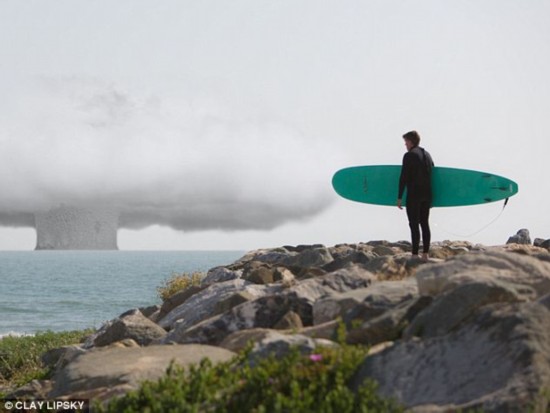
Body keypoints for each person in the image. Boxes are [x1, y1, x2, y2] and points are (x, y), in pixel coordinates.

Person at [397, 130, 434, 260]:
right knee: (424, 223)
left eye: (406, 142)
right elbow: (432, 171)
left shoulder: (409, 155)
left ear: (411, 141)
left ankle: (414, 254)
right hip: (427, 194)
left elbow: (403, 177)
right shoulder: (427, 155)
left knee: (413, 223)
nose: (405, 145)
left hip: (414, 195)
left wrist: (400, 197)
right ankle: (425, 253)